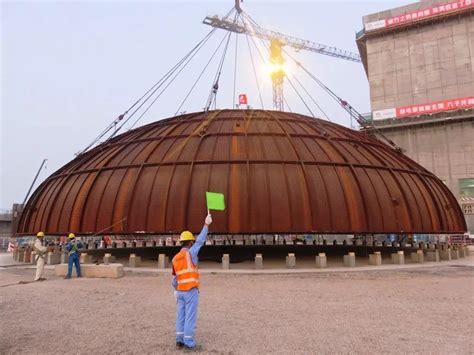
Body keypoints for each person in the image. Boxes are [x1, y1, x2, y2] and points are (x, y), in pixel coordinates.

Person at [172, 213, 213, 351]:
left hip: (180, 292)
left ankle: (179, 340)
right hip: (191, 291)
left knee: (180, 315)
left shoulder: (175, 258)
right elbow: (200, 241)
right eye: (192, 242)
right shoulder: (191, 253)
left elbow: (174, 278)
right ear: (190, 242)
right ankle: (189, 342)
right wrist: (206, 224)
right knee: (190, 316)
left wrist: (175, 290)